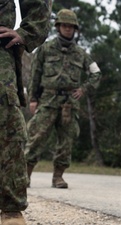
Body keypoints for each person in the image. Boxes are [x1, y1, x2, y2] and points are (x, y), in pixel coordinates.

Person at [25, 8, 101, 189]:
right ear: (58, 27)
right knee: (36, 137)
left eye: (71, 26)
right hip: (48, 100)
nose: (68, 29)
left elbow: (96, 74)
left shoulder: (81, 53)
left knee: (66, 142)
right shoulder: (45, 49)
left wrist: (84, 89)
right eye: (64, 25)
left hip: (69, 103)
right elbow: (35, 74)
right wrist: (33, 98)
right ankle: (25, 175)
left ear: (75, 29)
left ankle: (58, 177)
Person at [0, 0, 51, 224]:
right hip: (48, 98)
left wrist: (29, 31)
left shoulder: (80, 54)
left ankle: (10, 208)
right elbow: (38, 71)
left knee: (8, 126)